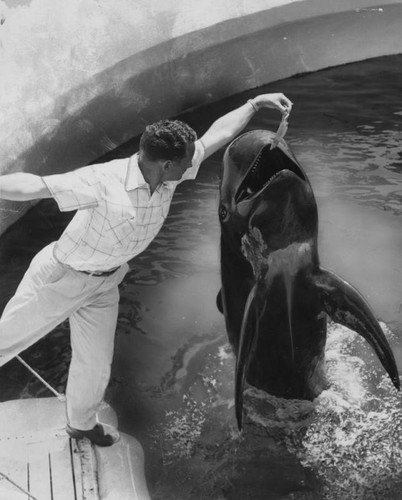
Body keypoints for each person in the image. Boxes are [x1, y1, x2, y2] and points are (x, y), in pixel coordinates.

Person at [0, 93, 292, 446]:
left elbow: (216, 135)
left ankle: (80, 423)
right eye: (186, 162)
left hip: (105, 282)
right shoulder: (104, 181)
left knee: (95, 363)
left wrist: (254, 105)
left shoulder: (167, 173)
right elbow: (35, 185)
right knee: (4, 343)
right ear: (167, 164)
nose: (193, 166)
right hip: (62, 277)